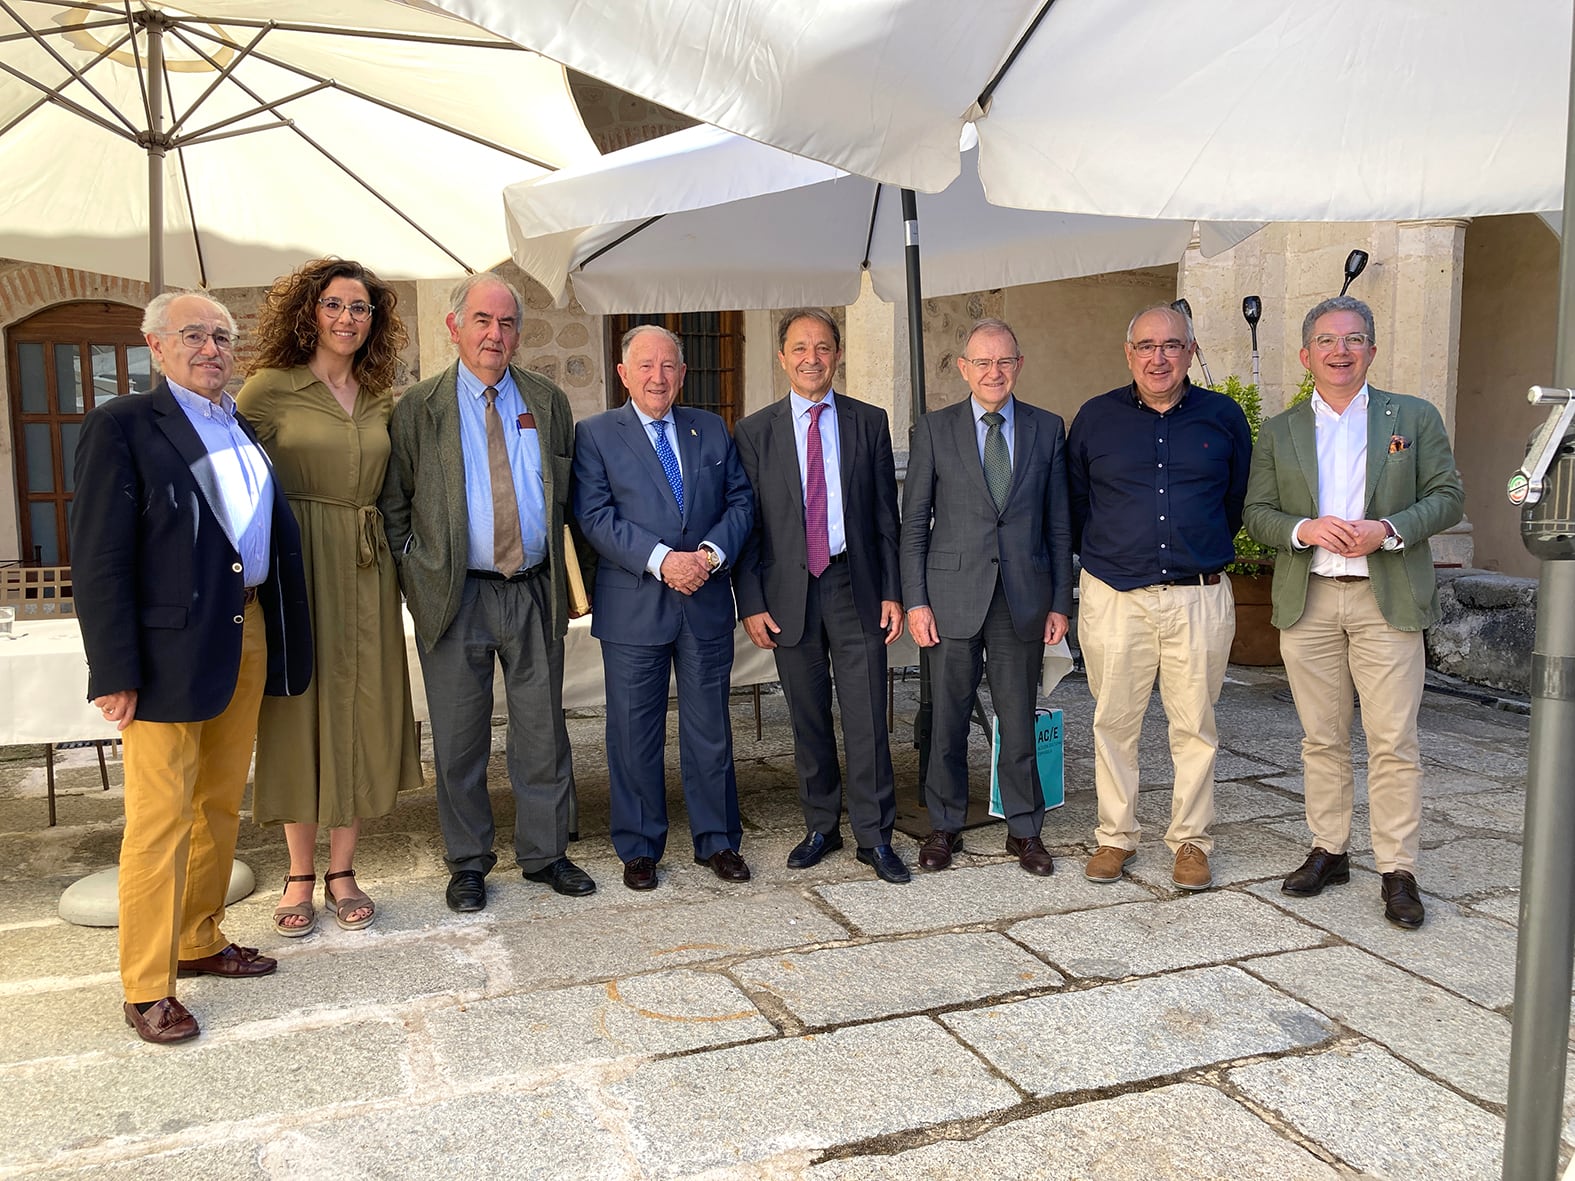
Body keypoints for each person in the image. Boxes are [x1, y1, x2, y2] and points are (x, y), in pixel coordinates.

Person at [71, 291, 311, 1044]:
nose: (212, 347)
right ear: (155, 345)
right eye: (194, 335)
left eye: (222, 336)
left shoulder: (237, 423)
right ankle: (146, 985)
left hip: (244, 630)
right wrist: (114, 666)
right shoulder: (123, 426)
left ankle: (199, 936)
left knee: (214, 806)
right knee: (158, 822)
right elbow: (100, 555)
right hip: (166, 650)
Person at [1244, 295, 1464, 929]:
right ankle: (1329, 850)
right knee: (1322, 736)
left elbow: (1449, 497)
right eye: (1327, 340)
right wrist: (1304, 528)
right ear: (1307, 354)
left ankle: (1398, 869)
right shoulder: (1281, 429)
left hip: (1384, 595)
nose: (1340, 351)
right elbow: (1256, 513)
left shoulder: (1413, 417)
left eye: (1354, 339)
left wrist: (1388, 529)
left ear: (1372, 348)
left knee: (1393, 739)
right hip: (1309, 599)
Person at [380, 274, 590, 912]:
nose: (495, 335)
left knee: (542, 731)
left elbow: (566, 498)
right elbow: (396, 507)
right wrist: (419, 579)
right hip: (455, 598)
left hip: (532, 591)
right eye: (482, 321)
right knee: (459, 737)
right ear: (454, 328)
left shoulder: (548, 401)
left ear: (518, 334)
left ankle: (546, 853)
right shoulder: (418, 409)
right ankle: (468, 862)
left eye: (506, 324)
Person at [237, 258, 422, 937]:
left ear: (375, 322)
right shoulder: (267, 389)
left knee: (360, 706)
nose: (348, 318)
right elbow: (233, 481)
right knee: (297, 708)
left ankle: (344, 868)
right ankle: (298, 872)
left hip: (368, 565)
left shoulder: (379, 396)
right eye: (336, 305)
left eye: (361, 308)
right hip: (297, 562)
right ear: (309, 311)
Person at [1067, 304, 1253, 892]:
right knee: (1112, 720)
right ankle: (1114, 838)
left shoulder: (1223, 418)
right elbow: (1075, 507)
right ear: (1129, 354)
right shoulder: (1095, 419)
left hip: (1198, 595)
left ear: (1190, 352)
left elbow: (1235, 500)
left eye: (1171, 345)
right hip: (1115, 595)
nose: (1159, 356)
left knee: (1195, 724)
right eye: (1146, 345)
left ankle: (1192, 841)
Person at [573, 325, 755, 891]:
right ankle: (639, 846)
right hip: (634, 607)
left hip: (703, 601)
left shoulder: (710, 430)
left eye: (669, 366)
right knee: (633, 733)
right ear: (624, 374)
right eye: (645, 366)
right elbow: (595, 516)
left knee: (710, 729)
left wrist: (707, 553)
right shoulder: (597, 434)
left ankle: (718, 840)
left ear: (682, 373)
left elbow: (741, 502)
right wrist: (661, 560)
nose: (659, 376)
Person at [733, 309, 908, 884]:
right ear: (782, 357)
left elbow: (887, 515)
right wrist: (751, 601)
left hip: (853, 583)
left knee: (866, 716)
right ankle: (820, 825)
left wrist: (892, 590)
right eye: (800, 347)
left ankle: (874, 834)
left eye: (824, 347)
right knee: (806, 714)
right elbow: (748, 525)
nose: (813, 357)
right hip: (789, 592)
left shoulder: (868, 421)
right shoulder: (754, 431)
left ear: (837, 355)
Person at [900, 317, 1072, 876]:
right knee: (946, 717)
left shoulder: (1048, 429)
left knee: (1018, 718)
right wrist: (916, 601)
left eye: (1004, 361)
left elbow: (1059, 524)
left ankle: (1025, 829)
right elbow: (914, 523)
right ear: (963, 369)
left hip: (1022, 596)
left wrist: (1060, 603)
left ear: (1018, 366)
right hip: (950, 596)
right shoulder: (934, 428)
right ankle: (944, 825)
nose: (993, 372)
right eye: (982, 362)